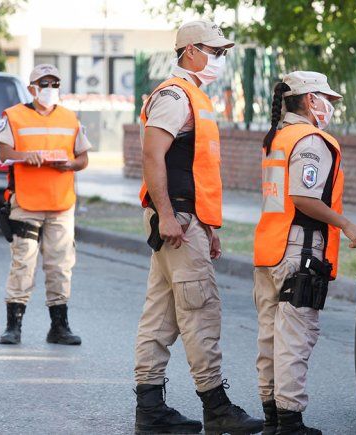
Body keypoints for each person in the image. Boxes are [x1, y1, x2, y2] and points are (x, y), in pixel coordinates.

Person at [132, 21, 263, 435]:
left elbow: (195, 169)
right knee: (200, 309)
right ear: (189, 50)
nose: (220, 60)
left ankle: (150, 411)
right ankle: (216, 406)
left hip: (188, 221)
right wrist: (169, 215)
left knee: (162, 315)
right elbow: (153, 157)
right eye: (214, 51)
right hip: (177, 221)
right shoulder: (175, 95)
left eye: (223, 53)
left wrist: (207, 225)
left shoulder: (194, 96)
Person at [253, 72, 356, 434]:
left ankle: (273, 417)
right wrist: (346, 224)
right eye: (327, 99)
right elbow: (304, 198)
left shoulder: (279, 138)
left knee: (271, 338)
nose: (330, 106)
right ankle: (290, 421)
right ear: (310, 99)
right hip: (299, 251)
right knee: (294, 339)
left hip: (270, 248)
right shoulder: (311, 140)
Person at [0, 64, 90, 346]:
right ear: (32, 87)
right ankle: (14, 326)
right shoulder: (14, 116)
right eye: (44, 83)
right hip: (26, 202)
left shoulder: (70, 118)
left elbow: (83, 158)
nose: (50, 89)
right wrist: (26, 155)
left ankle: (59, 327)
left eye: (54, 84)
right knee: (23, 263)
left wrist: (70, 164)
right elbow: (3, 153)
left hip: (61, 204)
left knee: (60, 266)